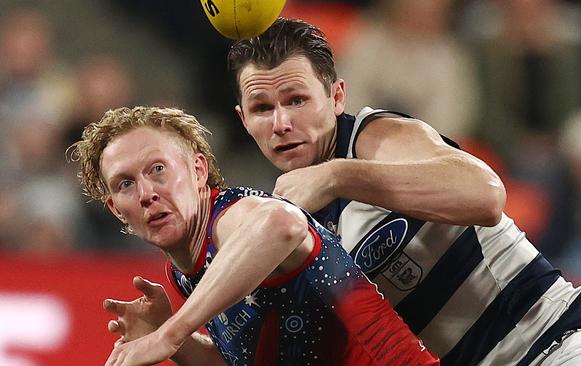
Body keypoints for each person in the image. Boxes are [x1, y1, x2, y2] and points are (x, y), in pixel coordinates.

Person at [226, 18, 581, 365]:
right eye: (263, 108)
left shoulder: (376, 138)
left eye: (297, 100)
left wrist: (338, 175)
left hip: (563, 346)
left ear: (336, 97)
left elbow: (486, 196)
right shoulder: (294, 220)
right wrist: (176, 332)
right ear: (244, 119)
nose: (281, 122)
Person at [69, 106, 439, 366]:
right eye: (126, 184)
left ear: (199, 171)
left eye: (159, 169)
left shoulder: (231, 217)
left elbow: (283, 223)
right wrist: (177, 344)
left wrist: (171, 333)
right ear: (117, 209)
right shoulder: (183, 270)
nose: (147, 192)